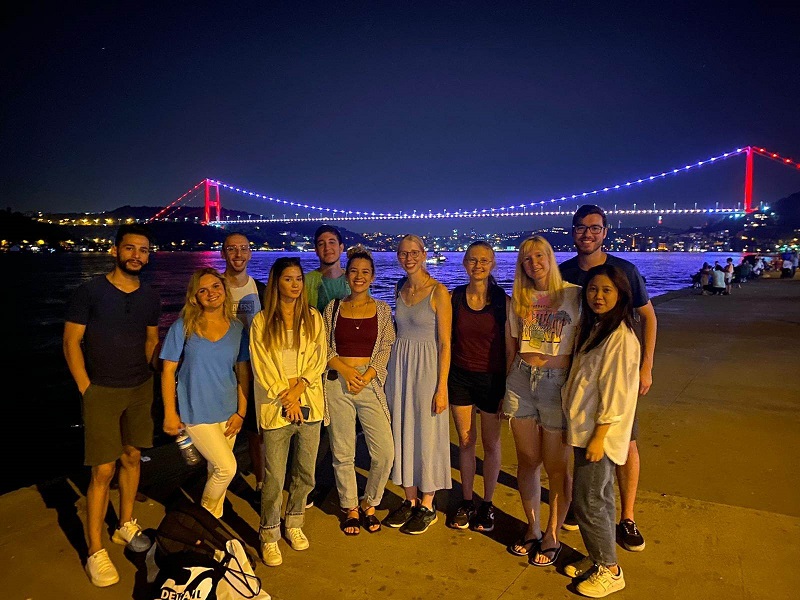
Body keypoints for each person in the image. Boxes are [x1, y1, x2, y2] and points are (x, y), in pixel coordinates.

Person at [63, 223, 160, 587]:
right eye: (130, 248)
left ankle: (125, 523)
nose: (137, 255)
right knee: (102, 470)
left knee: (132, 457)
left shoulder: (150, 296)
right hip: (101, 390)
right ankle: (95, 549)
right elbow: (71, 342)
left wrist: (165, 372)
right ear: (115, 250)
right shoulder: (89, 291)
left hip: (140, 387)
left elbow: (151, 341)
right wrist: (86, 388)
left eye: (143, 250)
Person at [559, 205, 656, 552]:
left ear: (605, 231)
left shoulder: (623, 271)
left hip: (614, 367)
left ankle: (626, 517)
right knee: (579, 439)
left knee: (623, 440)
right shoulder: (564, 272)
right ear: (573, 231)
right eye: (581, 228)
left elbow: (648, 317)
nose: (587, 234)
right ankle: (582, 502)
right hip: (580, 364)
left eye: (595, 228)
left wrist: (645, 367)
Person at [562, 264, 640, 597]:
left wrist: (599, 436)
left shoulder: (620, 337)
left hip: (599, 434)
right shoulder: (598, 327)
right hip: (585, 428)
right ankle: (599, 556)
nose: (598, 296)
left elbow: (617, 392)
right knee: (601, 498)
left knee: (588, 501)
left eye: (607, 290)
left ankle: (610, 570)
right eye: (593, 289)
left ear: (621, 294)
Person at [503, 235, 580, 565]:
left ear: (550, 257)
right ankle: (532, 528)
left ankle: (552, 534)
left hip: (556, 383)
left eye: (539, 256)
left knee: (556, 466)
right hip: (520, 379)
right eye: (526, 258)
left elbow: (585, 344)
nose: (533, 263)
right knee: (527, 460)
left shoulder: (575, 295)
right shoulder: (518, 299)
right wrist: (505, 383)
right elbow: (512, 344)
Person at [249, 257, 327, 567]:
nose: (295, 285)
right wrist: (288, 397)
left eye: (298, 279)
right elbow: (262, 366)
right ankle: (269, 533)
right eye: (287, 279)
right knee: (274, 476)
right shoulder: (261, 321)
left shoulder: (313, 317)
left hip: (309, 402)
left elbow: (319, 358)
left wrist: (298, 391)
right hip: (276, 405)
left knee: (305, 472)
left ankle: (294, 522)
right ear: (276, 283)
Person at [160, 267, 250, 518]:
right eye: (203, 290)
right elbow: (167, 371)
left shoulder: (237, 329)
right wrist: (170, 413)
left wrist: (241, 413)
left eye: (216, 286)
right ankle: (204, 519)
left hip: (228, 412)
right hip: (196, 412)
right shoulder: (183, 326)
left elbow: (243, 373)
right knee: (227, 468)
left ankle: (212, 530)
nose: (211, 293)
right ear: (194, 298)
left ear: (224, 290)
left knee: (215, 472)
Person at [322, 245, 396, 535]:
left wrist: (367, 375)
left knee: (385, 452)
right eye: (353, 271)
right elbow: (323, 347)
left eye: (365, 272)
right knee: (343, 451)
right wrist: (346, 370)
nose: (359, 276)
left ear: (373, 276)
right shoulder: (333, 308)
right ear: (346, 275)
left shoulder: (382, 310)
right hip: (337, 382)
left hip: (369, 382)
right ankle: (350, 506)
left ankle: (370, 501)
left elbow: (386, 346)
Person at [383, 234, 452, 534]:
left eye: (414, 252)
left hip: (427, 369)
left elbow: (446, 343)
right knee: (403, 431)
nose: (408, 258)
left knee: (427, 434)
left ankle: (428, 504)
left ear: (424, 254)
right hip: (400, 367)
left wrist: (442, 387)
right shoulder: (399, 287)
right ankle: (409, 499)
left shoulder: (439, 292)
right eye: (403, 253)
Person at [446, 241, 508, 533]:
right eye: (472, 260)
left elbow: (510, 347)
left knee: (491, 444)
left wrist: (508, 387)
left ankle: (488, 503)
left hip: (492, 379)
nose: (478, 265)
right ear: (464, 263)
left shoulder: (503, 302)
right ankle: (468, 500)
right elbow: (444, 339)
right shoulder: (454, 297)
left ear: (492, 264)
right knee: (466, 441)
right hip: (460, 377)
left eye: (484, 260)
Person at [305, 224, 351, 508]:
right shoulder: (308, 281)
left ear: (342, 247)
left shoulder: (354, 279)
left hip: (350, 363)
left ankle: (343, 483)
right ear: (315, 250)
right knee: (316, 427)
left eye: (332, 242)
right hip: (317, 363)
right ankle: (308, 484)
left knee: (344, 427)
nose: (327, 247)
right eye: (321, 243)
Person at [221, 232, 267, 494]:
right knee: (221, 431)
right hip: (221, 372)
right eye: (231, 249)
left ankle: (261, 484)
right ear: (223, 254)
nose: (238, 254)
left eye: (243, 248)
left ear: (250, 253)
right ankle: (219, 485)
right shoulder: (213, 288)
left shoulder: (261, 290)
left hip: (253, 370)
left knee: (256, 431)